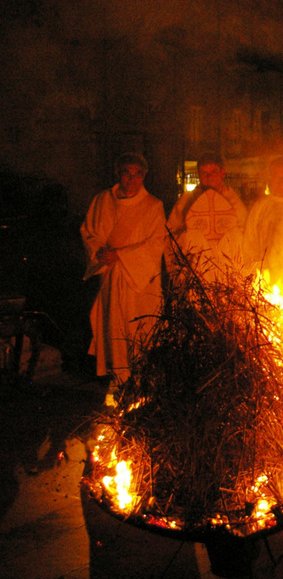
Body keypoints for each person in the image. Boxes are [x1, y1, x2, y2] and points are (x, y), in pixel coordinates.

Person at [81, 153, 166, 399]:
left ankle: (141, 379)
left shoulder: (153, 206)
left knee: (138, 327)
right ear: (118, 173)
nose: (131, 179)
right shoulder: (101, 201)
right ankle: (118, 379)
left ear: (144, 176)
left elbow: (155, 244)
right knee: (113, 327)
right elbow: (88, 231)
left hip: (138, 281)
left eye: (137, 174)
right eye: (127, 173)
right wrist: (100, 252)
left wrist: (121, 255)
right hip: (109, 277)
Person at [167, 151, 247, 276]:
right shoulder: (187, 200)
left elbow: (245, 235)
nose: (209, 177)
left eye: (213, 172)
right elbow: (171, 233)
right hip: (196, 267)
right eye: (204, 173)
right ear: (199, 175)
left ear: (222, 172)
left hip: (226, 267)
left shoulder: (234, 202)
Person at [242, 156, 283, 286]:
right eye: (277, 177)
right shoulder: (260, 208)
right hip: (265, 280)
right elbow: (249, 245)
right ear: (270, 178)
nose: (281, 182)